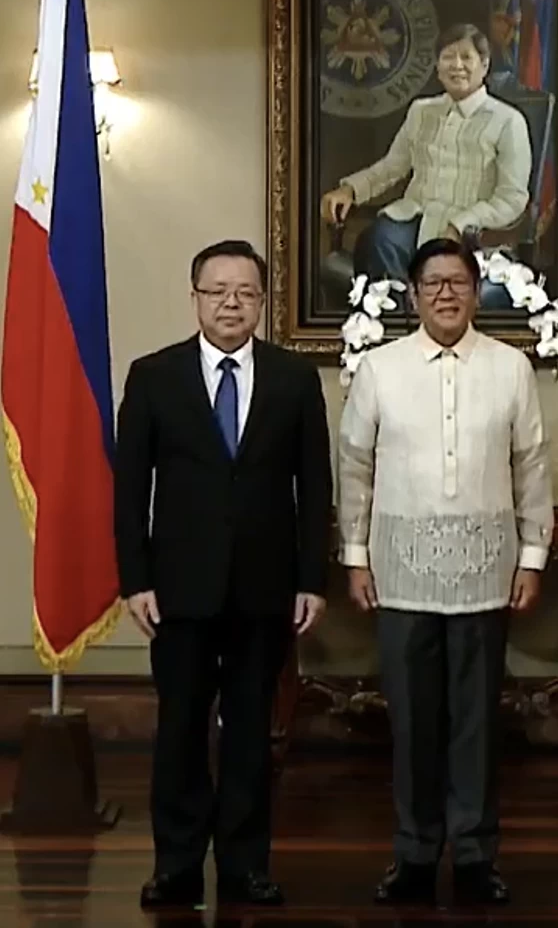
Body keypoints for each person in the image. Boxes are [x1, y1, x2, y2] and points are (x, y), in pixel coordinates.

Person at [113, 239, 333, 910]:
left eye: (245, 293)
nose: (231, 303)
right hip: (176, 592)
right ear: (196, 298)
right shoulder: (153, 376)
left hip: (265, 591)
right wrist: (135, 579)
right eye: (218, 291)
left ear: (262, 303)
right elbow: (129, 491)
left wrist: (311, 579)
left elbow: (313, 487)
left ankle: (245, 866)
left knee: (248, 734)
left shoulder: (295, 379)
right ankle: (176, 866)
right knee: (179, 729)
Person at [337, 237, 553, 906]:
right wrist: (353, 555)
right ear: (413, 292)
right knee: (413, 722)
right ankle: (414, 853)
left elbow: (532, 467)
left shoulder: (511, 367)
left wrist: (533, 556)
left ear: (475, 289)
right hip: (400, 572)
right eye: (433, 283)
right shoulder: (379, 368)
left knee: (476, 724)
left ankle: (476, 854)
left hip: (488, 573)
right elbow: (355, 467)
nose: (446, 294)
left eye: (458, 281)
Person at [320, 22, 532, 302]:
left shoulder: (508, 121)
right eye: (448, 57)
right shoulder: (421, 111)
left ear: (484, 65)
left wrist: (462, 224)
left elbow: (512, 197)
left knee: (445, 264)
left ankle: (427, 326)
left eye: (466, 57)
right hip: (415, 217)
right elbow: (392, 167)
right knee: (378, 240)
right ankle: (395, 329)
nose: (457, 65)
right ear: (437, 66)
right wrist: (349, 189)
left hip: (472, 232)